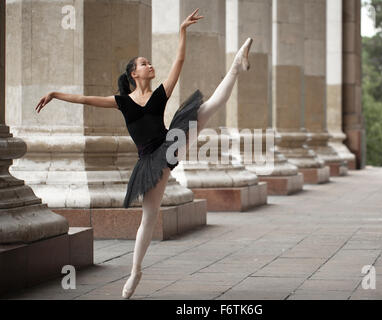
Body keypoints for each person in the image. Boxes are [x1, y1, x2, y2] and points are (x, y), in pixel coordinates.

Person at [35, 8, 253, 299]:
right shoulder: (122, 102)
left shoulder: (160, 94)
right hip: (149, 162)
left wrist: (182, 31)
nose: (150, 65)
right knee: (148, 218)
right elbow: (84, 99)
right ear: (133, 74)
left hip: (169, 143)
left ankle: (236, 65)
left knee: (208, 108)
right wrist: (54, 94)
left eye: (149, 63)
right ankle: (136, 270)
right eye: (144, 63)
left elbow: (180, 61)